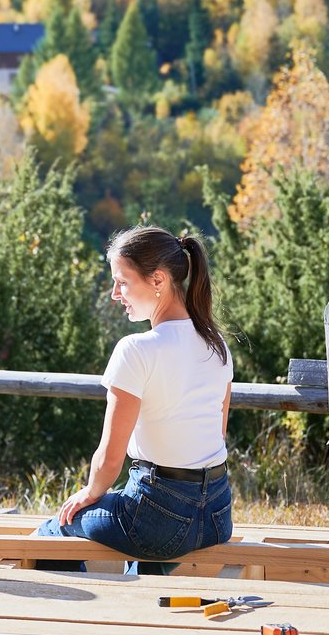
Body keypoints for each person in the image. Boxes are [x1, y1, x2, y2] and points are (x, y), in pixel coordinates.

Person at [35, 224, 233, 573]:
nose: (115, 293)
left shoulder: (136, 350)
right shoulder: (217, 346)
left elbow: (110, 459)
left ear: (158, 280)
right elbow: (215, 437)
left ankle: (72, 622)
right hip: (217, 515)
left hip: (160, 518)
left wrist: (88, 494)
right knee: (146, 553)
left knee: (52, 533)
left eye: (122, 282)